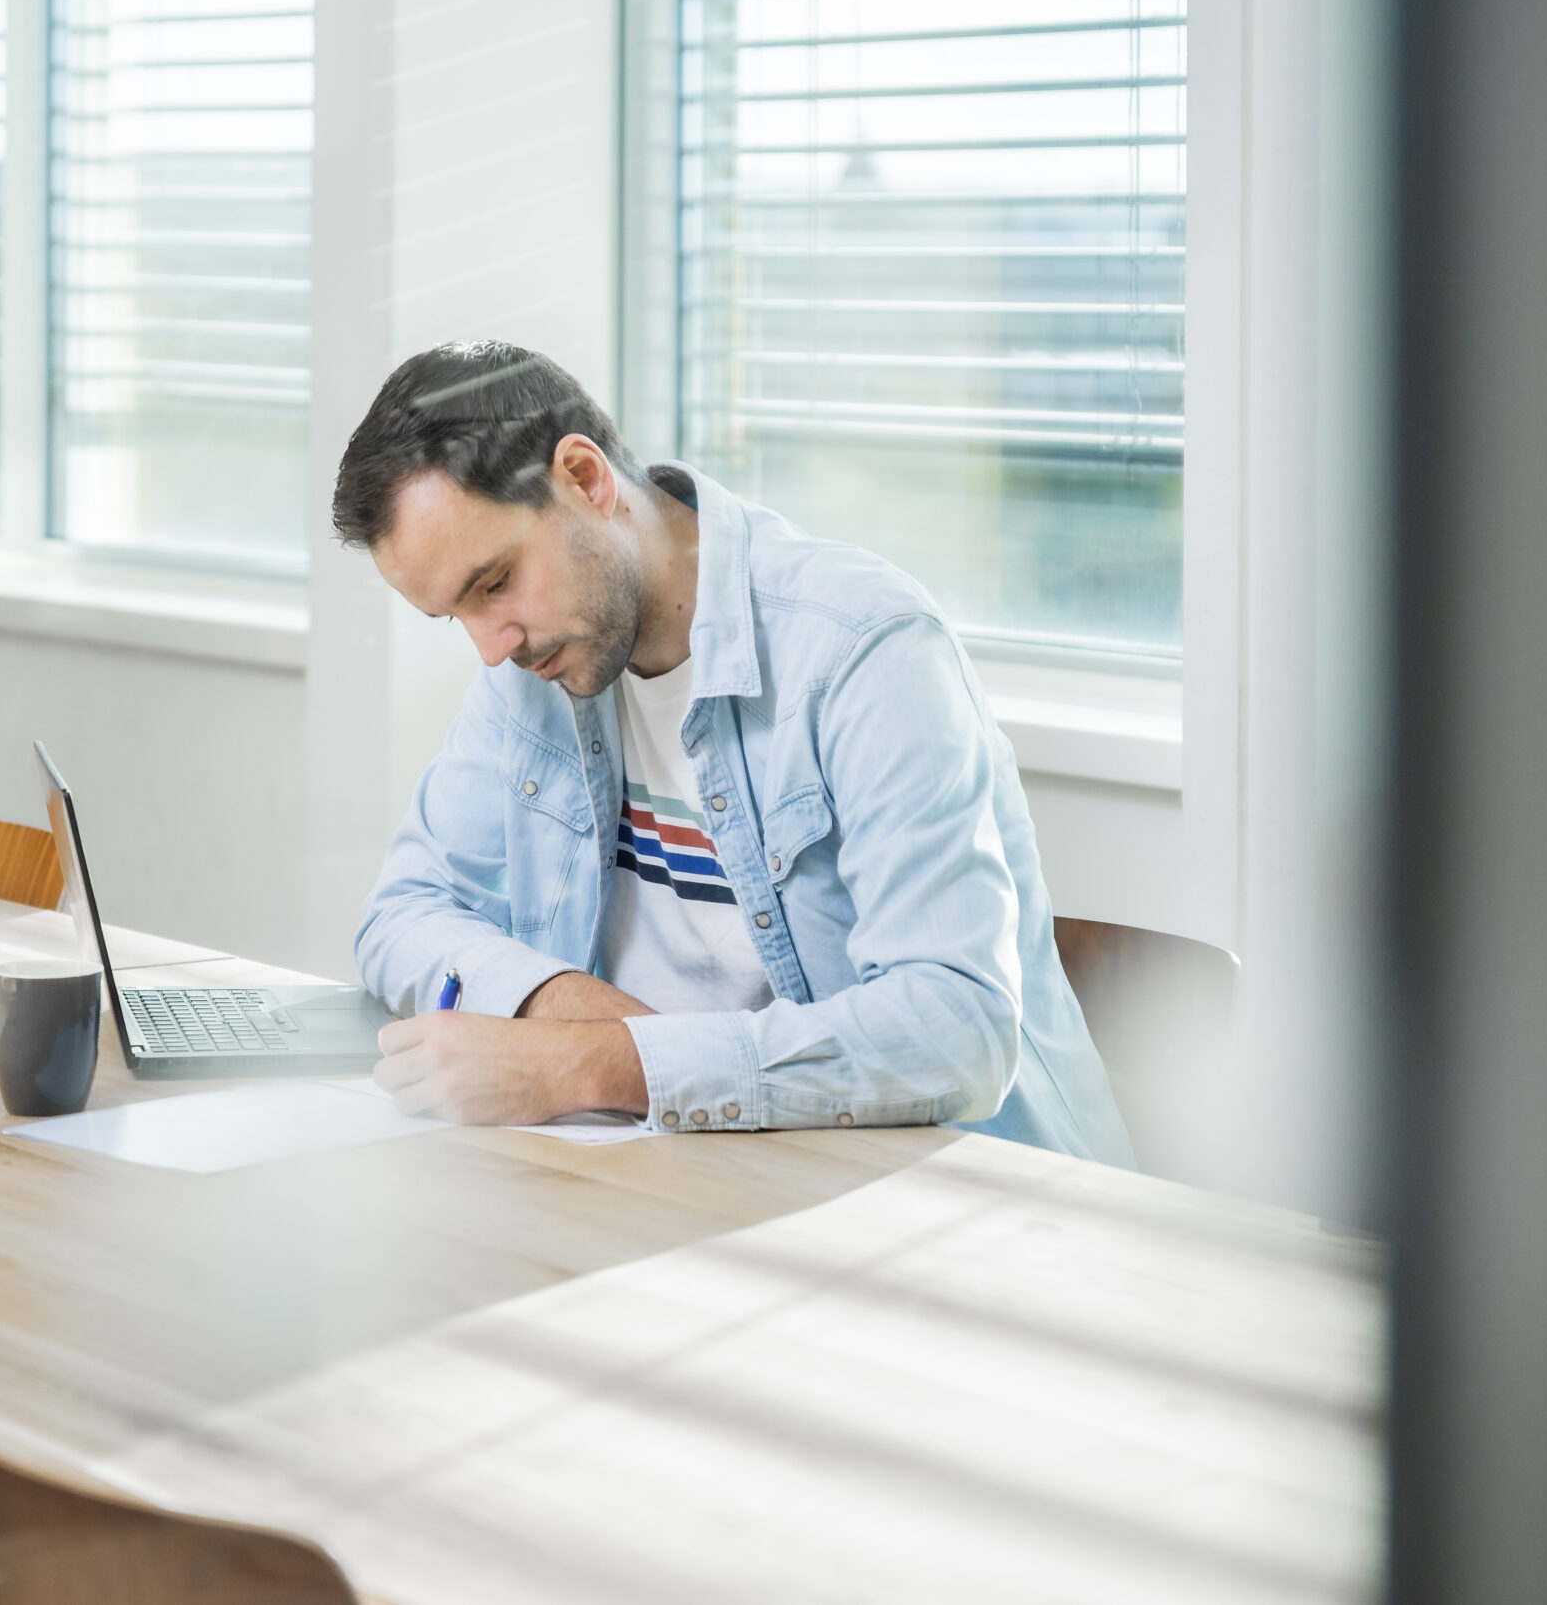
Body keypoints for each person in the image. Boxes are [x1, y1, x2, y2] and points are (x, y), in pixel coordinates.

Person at [337, 341, 1134, 1166]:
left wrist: (595, 1062)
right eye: (456, 614)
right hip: (700, 1165)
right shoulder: (534, 666)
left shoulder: (864, 649)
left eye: (494, 582)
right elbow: (400, 913)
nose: (491, 647)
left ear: (584, 478)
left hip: (967, 1201)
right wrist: (570, 1009)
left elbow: (957, 1027)